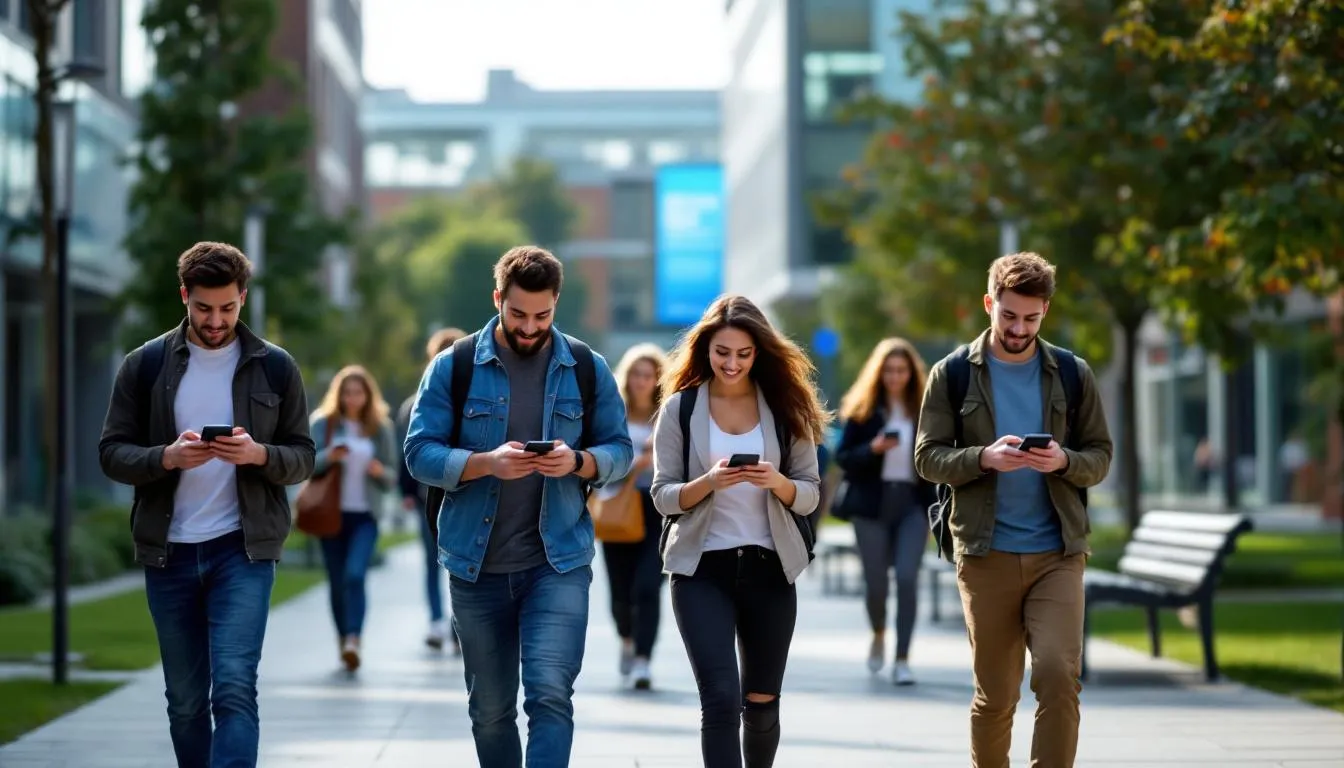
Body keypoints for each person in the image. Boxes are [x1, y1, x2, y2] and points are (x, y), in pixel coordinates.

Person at [404, 245, 633, 768]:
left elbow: (619, 452)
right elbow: (418, 453)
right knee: (489, 710)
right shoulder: (454, 366)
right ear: (498, 300)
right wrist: (486, 463)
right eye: (518, 315)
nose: (530, 327)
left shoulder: (586, 368)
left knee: (550, 694)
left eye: (543, 315)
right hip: (475, 564)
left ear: (557, 302)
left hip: (558, 562)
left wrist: (577, 461)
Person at [98, 241, 314, 768]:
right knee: (186, 703)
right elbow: (111, 453)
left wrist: (258, 453)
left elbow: (303, 457)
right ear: (184, 297)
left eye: (227, 308)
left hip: (242, 552)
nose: (215, 320)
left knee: (235, 690)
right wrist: (166, 457)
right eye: (203, 308)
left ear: (243, 297)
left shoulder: (276, 369)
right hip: (168, 554)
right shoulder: (144, 365)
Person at [914, 252, 1113, 768]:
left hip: (1058, 553)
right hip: (985, 553)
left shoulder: (1072, 373)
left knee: (1057, 675)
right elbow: (926, 457)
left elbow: (1100, 457)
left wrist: (1063, 460)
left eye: (1031, 318)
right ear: (989, 304)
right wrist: (983, 457)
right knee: (997, 694)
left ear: (1045, 310)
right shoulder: (952, 374)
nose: (1019, 328)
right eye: (1008, 316)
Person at [650, 294, 826, 768]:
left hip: (770, 571)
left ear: (759, 353)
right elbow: (663, 496)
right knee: (722, 699)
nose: (731, 363)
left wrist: (778, 482)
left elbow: (810, 493)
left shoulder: (787, 408)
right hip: (701, 570)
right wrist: (707, 483)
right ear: (705, 348)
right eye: (722, 352)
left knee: (762, 703)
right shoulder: (681, 409)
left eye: (743, 354)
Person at [833, 337, 935, 685]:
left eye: (901, 370)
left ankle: (903, 657)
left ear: (912, 373)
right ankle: (878, 630)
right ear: (879, 373)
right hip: (871, 505)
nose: (895, 377)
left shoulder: (925, 410)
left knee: (907, 578)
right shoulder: (863, 410)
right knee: (876, 584)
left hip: (911, 505)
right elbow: (843, 458)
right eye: (889, 370)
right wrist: (873, 448)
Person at [310, 365, 397, 673]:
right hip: (331, 515)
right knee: (336, 582)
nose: (352, 398)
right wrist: (329, 456)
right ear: (339, 394)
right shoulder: (324, 425)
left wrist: (378, 471)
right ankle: (343, 640)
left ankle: (354, 640)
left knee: (355, 575)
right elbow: (307, 464)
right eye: (347, 392)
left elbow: (392, 475)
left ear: (367, 395)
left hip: (365, 517)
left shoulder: (380, 428)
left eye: (358, 392)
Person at [595, 342, 668, 690]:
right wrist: (637, 462)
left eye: (649, 375)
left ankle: (643, 659)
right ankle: (626, 639)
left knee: (647, 587)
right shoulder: (612, 415)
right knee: (620, 594)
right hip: (618, 511)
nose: (642, 381)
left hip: (656, 511)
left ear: (659, 379)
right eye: (636, 374)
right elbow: (601, 464)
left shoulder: (667, 416)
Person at [397, 327, 466, 654]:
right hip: (429, 497)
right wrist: (406, 491)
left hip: (466, 497)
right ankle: (437, 621)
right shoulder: (416, 404)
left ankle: (458, 623)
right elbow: (405, 451)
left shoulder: (473, 398)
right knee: (431, 562)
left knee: (462, 564)